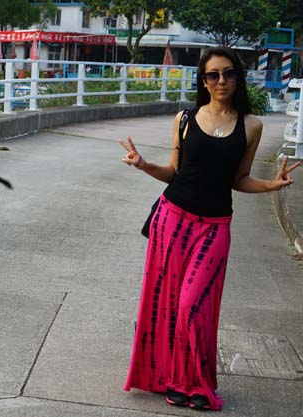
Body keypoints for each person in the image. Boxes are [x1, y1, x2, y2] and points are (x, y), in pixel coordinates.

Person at [119, 46, 301, 411]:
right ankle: (173, 381)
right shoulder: (185, 118)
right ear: (203, 80)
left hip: (215, 227)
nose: (222, 81)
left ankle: (193, 381)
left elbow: (240, 179)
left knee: (192, 306)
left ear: (238, 77)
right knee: (166, 306)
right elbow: (173, 172)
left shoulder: (251, 125)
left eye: (229, 73)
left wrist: (271, 185)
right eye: (213, 75)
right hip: (172, 220)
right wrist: (143, 165)